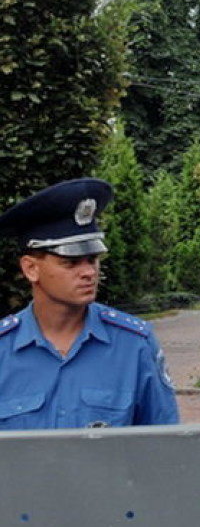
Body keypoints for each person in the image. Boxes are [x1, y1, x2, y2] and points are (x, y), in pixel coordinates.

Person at [0, 178, 179, 429]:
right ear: (31, 268)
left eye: (92, 259)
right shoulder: (3, 350)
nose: (88, 272)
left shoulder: (133, 345)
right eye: (71, 262)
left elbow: (163, 445)